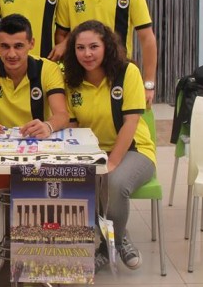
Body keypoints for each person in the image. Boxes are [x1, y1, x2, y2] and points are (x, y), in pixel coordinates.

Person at [62, 20, 156, 271]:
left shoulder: (127, 72)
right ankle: (120, 235)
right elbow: (72, 125)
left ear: (107, 47)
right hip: (92, 151)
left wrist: (111, 162)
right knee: (75, 181)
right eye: (80, 48)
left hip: (134, 150)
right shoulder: (70, 80)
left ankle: (108, 246)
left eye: (94, 46)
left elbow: (131, 122)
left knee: (113, 183)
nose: (87, 54)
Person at [0, 14, 69, 137]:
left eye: (18, 46)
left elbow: (62, 115)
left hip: (37, 139)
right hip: (0, 139)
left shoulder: (49, 69)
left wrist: (48, 126)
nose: (11, 54)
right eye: (5, 46)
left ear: (31, 43)